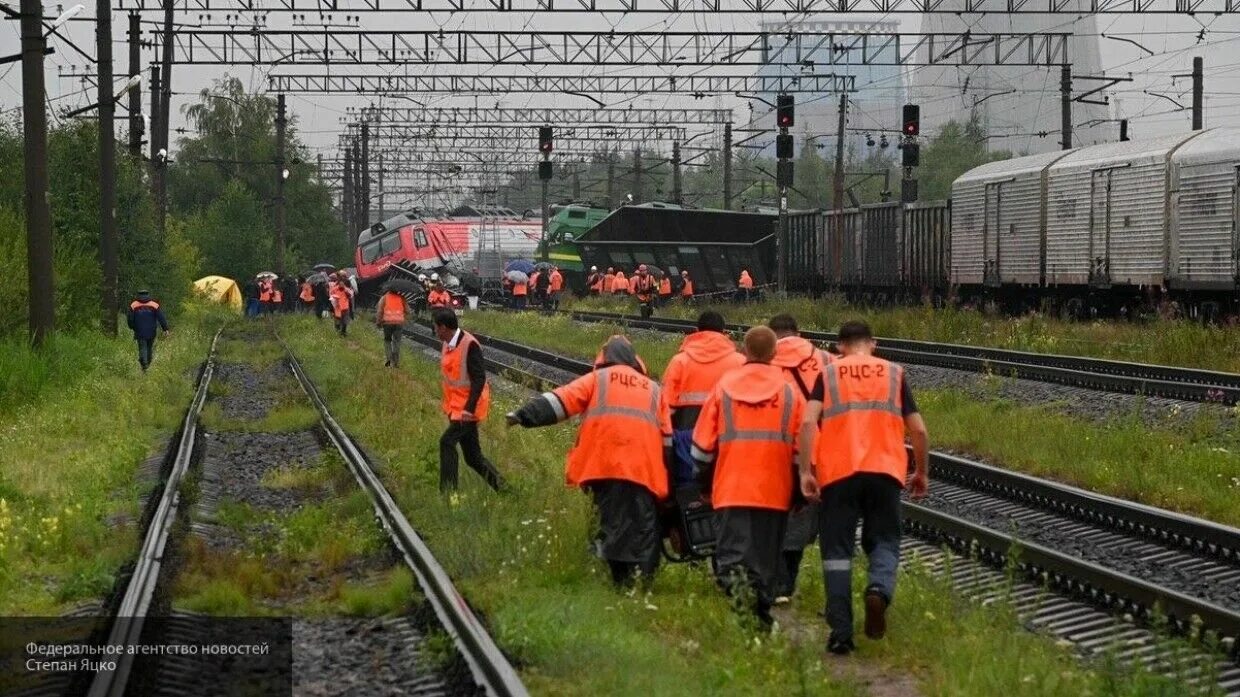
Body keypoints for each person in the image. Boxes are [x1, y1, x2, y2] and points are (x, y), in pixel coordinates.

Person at [796, 320, 930, 656]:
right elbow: (919, 431)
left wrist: (804, 471)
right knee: (885, 539)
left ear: (839, 346)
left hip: (838, 474)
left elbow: (809, 421)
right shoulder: (894, 373)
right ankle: (878, 590)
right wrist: (922, 473)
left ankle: (841, 633)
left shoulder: (827, 375)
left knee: (837, 552)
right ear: (873, 343)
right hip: (885, 472)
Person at [507, 335, 671, 587]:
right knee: (643, 526)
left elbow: (560, 401)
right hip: (644, 470)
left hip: (603, 465)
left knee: (606, 523)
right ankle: (639, 582)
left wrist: (523, 415)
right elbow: (667, 439)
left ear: (604, 358)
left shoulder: (598, 379)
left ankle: (613, 579)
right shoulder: (654, 389)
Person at [692, 326, 802, 628]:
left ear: (745, 350)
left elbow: (702, 449)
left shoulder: (723, 388)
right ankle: (761, 609)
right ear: (774, 354)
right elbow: (803, 450)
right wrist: (799, 494)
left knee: (732, 552)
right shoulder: (789, 393)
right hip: (775, 491)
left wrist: (702, 484)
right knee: (767, 554)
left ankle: (743, 607)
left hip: (730, 487)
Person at [769, 313, 834, 603]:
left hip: (769, 448)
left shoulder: (760, 359)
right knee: (801, 513)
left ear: (772, 334)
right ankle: (786, 580)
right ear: (800, 332)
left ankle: (774, 575)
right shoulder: (826, 360)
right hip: (814, 449)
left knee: (771, 510)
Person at [660, 311, 745, 486]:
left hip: (687, 440)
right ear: (724, 331)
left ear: (696, 330)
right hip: (729, 439)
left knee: (690, 492)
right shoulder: (740, 362)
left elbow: (665, 410)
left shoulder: (679, 362)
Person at [433, 309, 505, 493]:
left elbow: (479, 378)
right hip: (455, 407)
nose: (434, 331)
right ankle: (505, 489)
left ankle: (449, 495)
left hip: (466, 410)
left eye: (436, 327)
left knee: (446, 442)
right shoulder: (448, 343)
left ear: (443, 327)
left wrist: (469, 408)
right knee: (473, 458)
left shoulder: (469, 345)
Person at [127, 289, 170, 372]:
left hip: (139, 331)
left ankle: (144, 365)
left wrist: (132, 327)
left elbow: (130, 319)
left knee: (142, 347)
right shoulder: (154, 305)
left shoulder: (134, 305)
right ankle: (148, 364)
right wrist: (166, 329)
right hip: (152, 331)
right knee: (149, 348)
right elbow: (161, 318)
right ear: (148, 295)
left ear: (138, 295)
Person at [375, 288, 408, 367]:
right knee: (397, 342)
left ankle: (388, 359)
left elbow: (380, 311)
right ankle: (395, 362)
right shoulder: (401, 298)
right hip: (399, 323)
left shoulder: (384, 298)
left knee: (387, 340)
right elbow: (407, 310)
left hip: (387, 322)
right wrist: (403, 316)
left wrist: (378, 322)